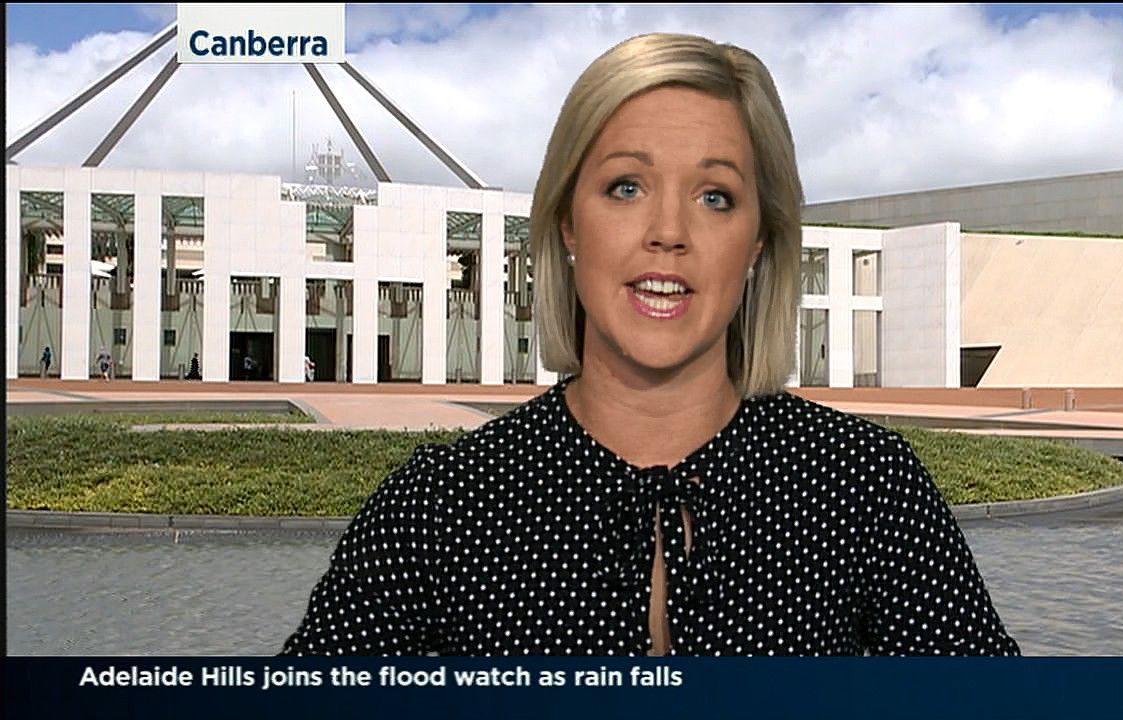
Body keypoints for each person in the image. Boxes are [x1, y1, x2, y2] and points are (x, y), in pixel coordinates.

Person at [283, 33, 1019, 657]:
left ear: (758, 241)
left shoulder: (869, 489)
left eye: (715, 197)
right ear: (568, 222)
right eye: (626, 188)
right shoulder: (438, 507)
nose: (668, 232)